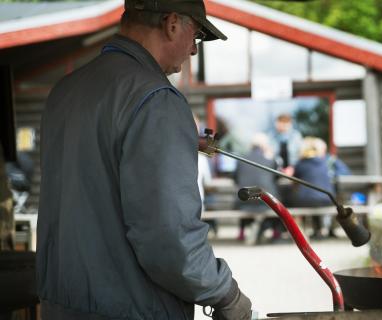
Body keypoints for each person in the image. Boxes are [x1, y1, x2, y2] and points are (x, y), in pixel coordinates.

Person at [37, 1, 251, 319]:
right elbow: (168, 236)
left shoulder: (66, 90)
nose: (194, 50)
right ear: (172, 23)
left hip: (61, 307)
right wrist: (224, 292)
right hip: (131, 308)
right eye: (197, 35)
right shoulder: (156, 99)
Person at [234, 133, 282, 243]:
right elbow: (277, 178)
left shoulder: (241, 159)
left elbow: (235, 178)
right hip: (266, 202)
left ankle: (242, 232)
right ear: (265, 146)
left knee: (246, 193)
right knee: (277, 197)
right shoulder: (270, 160)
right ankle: (275, 232)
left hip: (244, 201)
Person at [291, 137, 336, 239]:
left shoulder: (300, 164)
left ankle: (302, 232)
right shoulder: (325, 163)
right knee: (314, 197)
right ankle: (318, 230)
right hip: (327, 199)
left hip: (307, 200)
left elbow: (294, 181)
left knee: (301, 199)